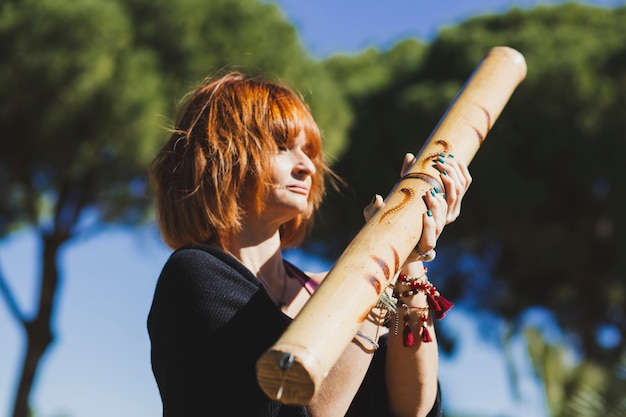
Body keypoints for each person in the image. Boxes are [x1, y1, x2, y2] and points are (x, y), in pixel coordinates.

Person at [147, 71, 472, 417]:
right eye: (283, 147)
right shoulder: (195, 276)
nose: (306, 166)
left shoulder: (340, 287)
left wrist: (406, 252)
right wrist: (378, 270)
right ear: (221, 157)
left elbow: (414, 407)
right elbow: (313, 411)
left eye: (309, 151)